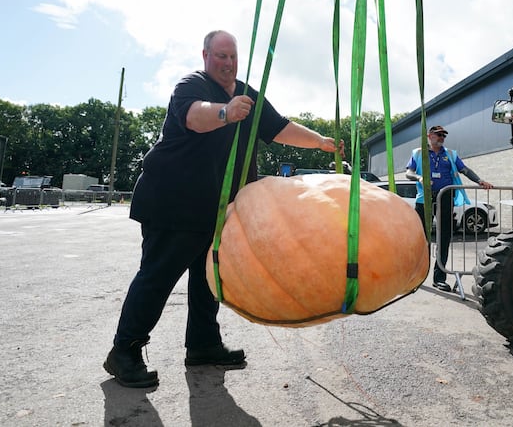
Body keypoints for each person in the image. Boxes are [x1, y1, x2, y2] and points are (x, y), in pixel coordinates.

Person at [104, 30, 342, 388]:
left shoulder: (246, 93)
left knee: (207, 282)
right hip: (173, 202)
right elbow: (194, 117)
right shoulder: (192, 86)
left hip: (216, 210)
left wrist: (319, 142)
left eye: (232, 57)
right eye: (220, 56)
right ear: (205, 55)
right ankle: (124, 351)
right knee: (157, 278)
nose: (228, 64)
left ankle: (203, 345)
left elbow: (278, 128)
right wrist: (225, 113)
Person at [405, 125, 493, 292]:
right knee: (421, 239)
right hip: (425, 200)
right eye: (438, 135)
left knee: (444, 237)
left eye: (444, 135)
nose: (442, 138)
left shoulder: (451, 154)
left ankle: (439, 278)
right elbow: (408, 172)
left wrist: (480, 181)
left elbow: (465, 169)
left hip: (446, 197)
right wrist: (419, 177)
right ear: (429, 136)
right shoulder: (418, 153)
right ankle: (415, 277)